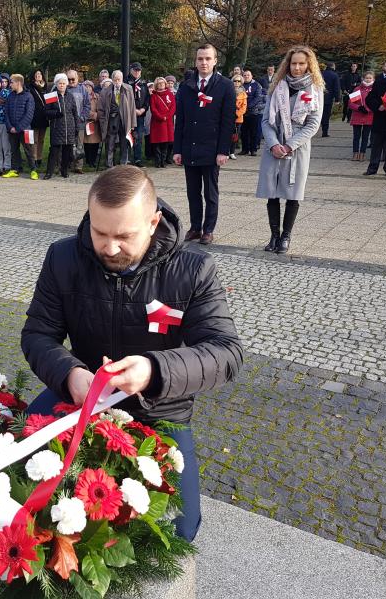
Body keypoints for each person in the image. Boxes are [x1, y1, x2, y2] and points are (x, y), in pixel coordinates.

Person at [21, 164, 244, 543]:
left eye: (124, 236)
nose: (109, 248)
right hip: (80, 396)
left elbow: (226, 353)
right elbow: (38, 334)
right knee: (17, 479)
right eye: (99, 232)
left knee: (177, 531)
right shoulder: (63, 258)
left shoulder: (194, 270)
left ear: (154, 222)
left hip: (160, 410)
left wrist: (154, 370)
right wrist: (70, 374)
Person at [256, 45, 324, 254]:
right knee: (272, 192)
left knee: (293, 193)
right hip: (273, 144)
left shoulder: (314, 89)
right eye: (293, 63)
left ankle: (286, 236)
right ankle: (274, 235)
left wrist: (289, 145)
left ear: (308, 65)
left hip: (297, 147)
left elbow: (313, 124)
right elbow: (266, 119)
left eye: (301, 63)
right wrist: (274, 144)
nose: (296, 68)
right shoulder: (277, 86)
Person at [173, 44, 235, 245]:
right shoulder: (186, 86)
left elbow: (227, 121)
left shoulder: (224, 85)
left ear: (215, 61)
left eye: (208, 59)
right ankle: (195, 227)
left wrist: (223, 150)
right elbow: (180, 119)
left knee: (210, 192)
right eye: (200, 59)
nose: (204, 63)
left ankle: (208, 229)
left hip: (212, 147)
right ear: (196, 61)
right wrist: (177, 149)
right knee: (192, 192)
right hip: (190, 146)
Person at [97, 70, 136, 168]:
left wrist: (133, 124)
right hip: (111, 119)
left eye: (119, 79)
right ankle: (109, 164)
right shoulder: (105, 91)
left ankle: (124, 164)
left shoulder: (128, 89)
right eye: (115, 80)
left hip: (124, 120)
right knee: (110, 142)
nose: (117, 82)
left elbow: (132, 107)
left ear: (122, 79)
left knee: (124, 142)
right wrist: (102, 122)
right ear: (112, 80)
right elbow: (101, 108)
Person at [43, 73, 78, 179]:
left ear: (66, 84)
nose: (62, 85)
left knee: (67, 151)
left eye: (63, 83)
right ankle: (49, 172)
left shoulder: (70, 96)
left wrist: (76, 127)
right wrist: (55, 113)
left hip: (69, 128)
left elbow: (75, 112)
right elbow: (46, 111)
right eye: (60, 83)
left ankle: (64, 171)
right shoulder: (51, 96)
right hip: (57, 128)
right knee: (54, 152)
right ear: (56, 84)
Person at [3, 74, 37, 180]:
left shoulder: (28, 96)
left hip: (25, 129)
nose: (10, 85)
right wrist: (10, 127)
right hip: (11, 130)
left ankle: (33, 170)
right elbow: (6, 113)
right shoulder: (10, 96)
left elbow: (29, 114)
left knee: (29, 150)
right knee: (14, 150)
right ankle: (15, 169)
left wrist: (18, 128)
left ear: (18, 83)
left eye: (12, 82)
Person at [65, 69, 89, 173]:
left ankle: (78, 167)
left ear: (77, 78)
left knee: (79, 144)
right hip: (68, 122)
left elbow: (87, 105)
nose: (70, 81)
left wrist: (83, 117)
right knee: (69, 144)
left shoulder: (83, 89)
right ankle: (68, 164)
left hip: (80, 121)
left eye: (72, 79)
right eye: (68, 79)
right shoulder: (64, 89)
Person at [347, 71, 375, 161]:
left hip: (369, 116)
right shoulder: (357, 89)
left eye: (370, 78)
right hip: (358, 115)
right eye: (367, 78)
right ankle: (355, 153)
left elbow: (376, 103)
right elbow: (351, 103)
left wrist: (369, 109)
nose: (368, 79)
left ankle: (362, 153)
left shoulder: (374, 89)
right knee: (356, 136)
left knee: (365, 136)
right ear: (363, 79)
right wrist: (359, 108)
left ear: (373, 79)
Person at [126, 63, 150, 166]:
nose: (137, 72)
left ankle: (138, 159)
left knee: (139, 137)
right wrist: (133, 110)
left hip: (140, 115)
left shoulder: (143, 83)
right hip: (129, 115)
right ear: (131, 70)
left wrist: (143, 109)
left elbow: (147, 99)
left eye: (139, 70)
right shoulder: (126, 82)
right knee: (128, 137)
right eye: (135, 70)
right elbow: (124, 99)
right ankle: (127, 158)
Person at [149, 77, 176, 167]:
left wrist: (167, 116)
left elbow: (173, 107)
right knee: (157, 143)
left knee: (166, 142)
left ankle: (163, 161)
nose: (161, 84)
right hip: (157, 122)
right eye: (159, 83)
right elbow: (153, 109)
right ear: (156, 85)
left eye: (162, 83)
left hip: (167, 122)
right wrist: (161, 117)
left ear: (165, 84)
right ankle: (157, 161)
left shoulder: (170, 94)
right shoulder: (153, 96)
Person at [28, 70, 49, 167]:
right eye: (36, 75)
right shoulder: (31, 88)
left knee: (41, 139)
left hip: (44, 116)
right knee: (34, 139)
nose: (38, 76)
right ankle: (34, 158)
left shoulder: (46, 87)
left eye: (40, 74)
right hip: (35, 116)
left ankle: (40, 157)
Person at [241, 69, 264, 155]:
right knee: (244, 132)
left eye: (248, 75)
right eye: (245, 75)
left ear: (251, 76)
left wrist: (248, 106)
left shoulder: (257, 85)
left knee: (253, 132)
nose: (246, 77)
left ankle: (253, 149)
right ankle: (244, 149)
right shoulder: (241, 85)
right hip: (242, 113)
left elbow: (258, 97)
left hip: (254, 112)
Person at [82, 80, 102, 168]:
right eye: (85, 87)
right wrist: (92, 115)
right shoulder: (82, 97)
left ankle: (93, 160)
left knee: (95, 143)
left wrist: (98, 115)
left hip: (96, 123)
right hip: (86, 123)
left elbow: (101, 107)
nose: (87, 88)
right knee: (87, 143)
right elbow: (82, 109)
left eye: (89, 86)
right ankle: (88, 160)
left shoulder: (97, 96)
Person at [320, 62, 341, 137]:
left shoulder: (321, 73)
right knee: (326, 115)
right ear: (333, 66)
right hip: (328, 98)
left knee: (319, 114)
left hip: (319, 97)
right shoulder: (334, 75)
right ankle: (324, 132)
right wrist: (337, 99)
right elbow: (336, 88)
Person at [229, 75, 247, 160]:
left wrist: (236, 114)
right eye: (235, 81)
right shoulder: (228, 91)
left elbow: (244, 107)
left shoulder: (243, 94)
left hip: (238, 118)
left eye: (238, 81)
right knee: (226, 135)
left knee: (235, 136)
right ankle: (225, 151)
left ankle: (232, 152)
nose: (236, 83)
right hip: (228, 117)